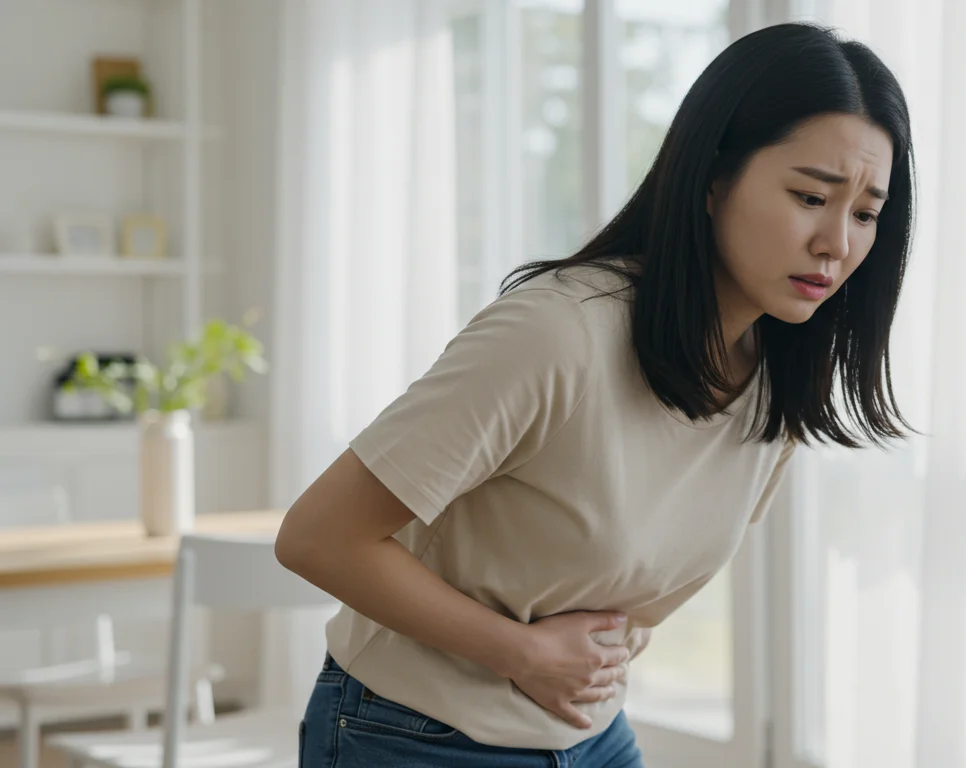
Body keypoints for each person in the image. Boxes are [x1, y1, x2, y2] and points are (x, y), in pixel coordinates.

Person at [275, 20, 915, 768]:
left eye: (866, 213)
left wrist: (577, 662)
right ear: (713, 179)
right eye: (812, 196)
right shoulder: (556, 332)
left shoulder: (777, 384)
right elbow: (318, 537)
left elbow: (630, 599)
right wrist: (519, 651)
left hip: (587, 735)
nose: (837, 243)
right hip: (411, 730)